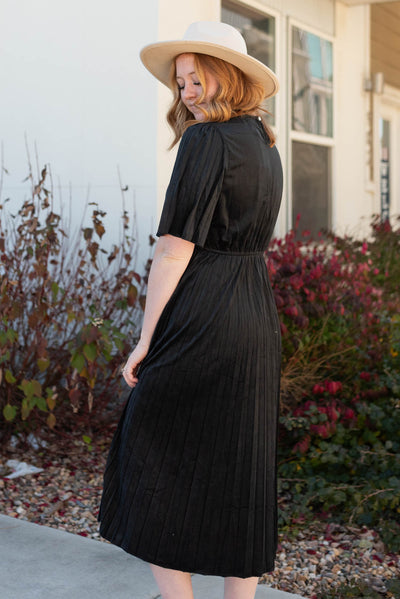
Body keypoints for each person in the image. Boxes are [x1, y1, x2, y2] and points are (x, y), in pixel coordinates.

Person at [98, 21, 283, 599]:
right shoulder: (264, 142)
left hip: (204, 309)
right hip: (254, 311)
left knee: (145, 439)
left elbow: (174, 250)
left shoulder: (206, 142)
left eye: (195, 79)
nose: (186, 93)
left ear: (224, 76)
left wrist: (146, 339)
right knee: (242, 460)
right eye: (180, 84)